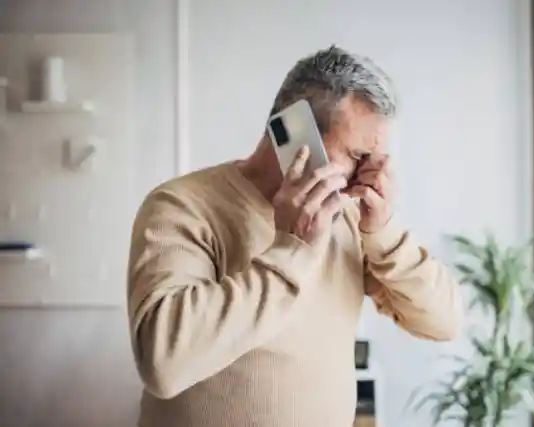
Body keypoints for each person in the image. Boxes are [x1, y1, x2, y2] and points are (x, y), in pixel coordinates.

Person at [126, 45, 463, 427]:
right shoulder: (181, 205)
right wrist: (291, 249)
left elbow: (444, 321)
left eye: (375, 161)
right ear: (293, 132)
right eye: (356, 157)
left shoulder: (349, 216)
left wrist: (383, 234)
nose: (365, 178)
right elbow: (163, 364)